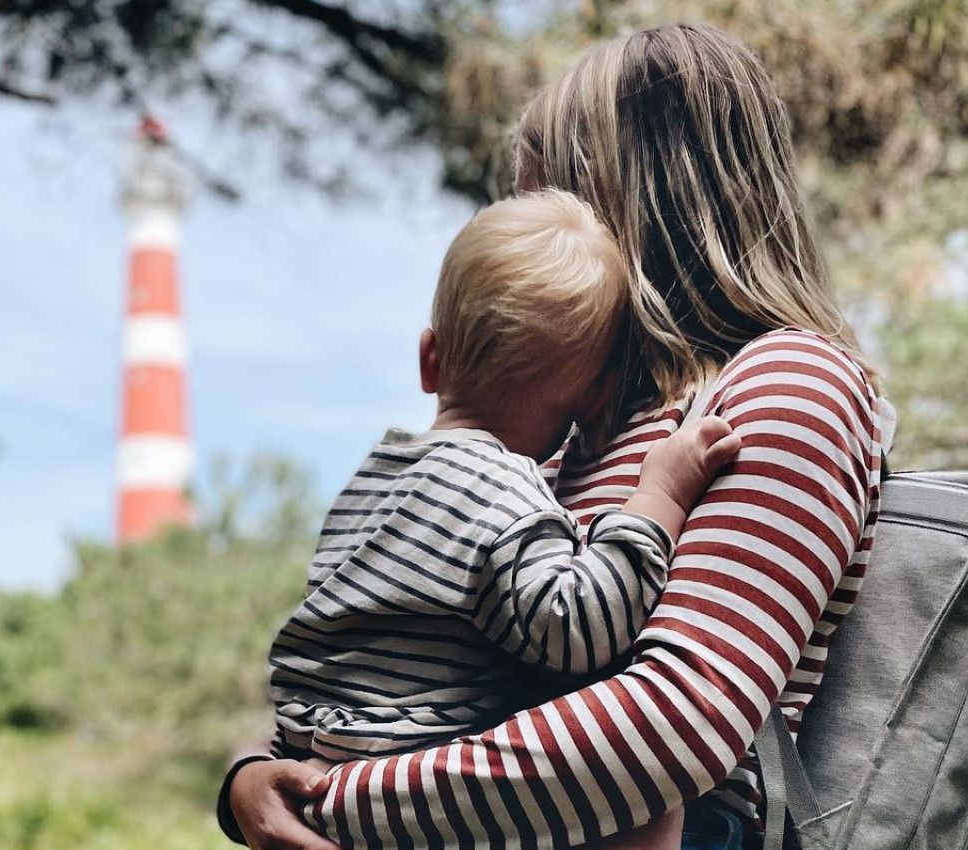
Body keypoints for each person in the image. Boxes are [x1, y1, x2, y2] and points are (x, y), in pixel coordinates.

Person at [219, 22, 895, 850]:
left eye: (548, 199)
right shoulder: (549, 441)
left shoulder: (785, 384)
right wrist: (252, 773)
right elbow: (386, 651)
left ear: (632, 200)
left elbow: (672, 725)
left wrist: (335, 802)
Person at [270, 190, 740, 850]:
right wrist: (657, 497)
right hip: (414, 795)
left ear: (429, 357)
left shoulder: (369, 480)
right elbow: (577, 627)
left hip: (313, 770)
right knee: (655, 808)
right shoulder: (502, 489)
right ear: (591, 400)